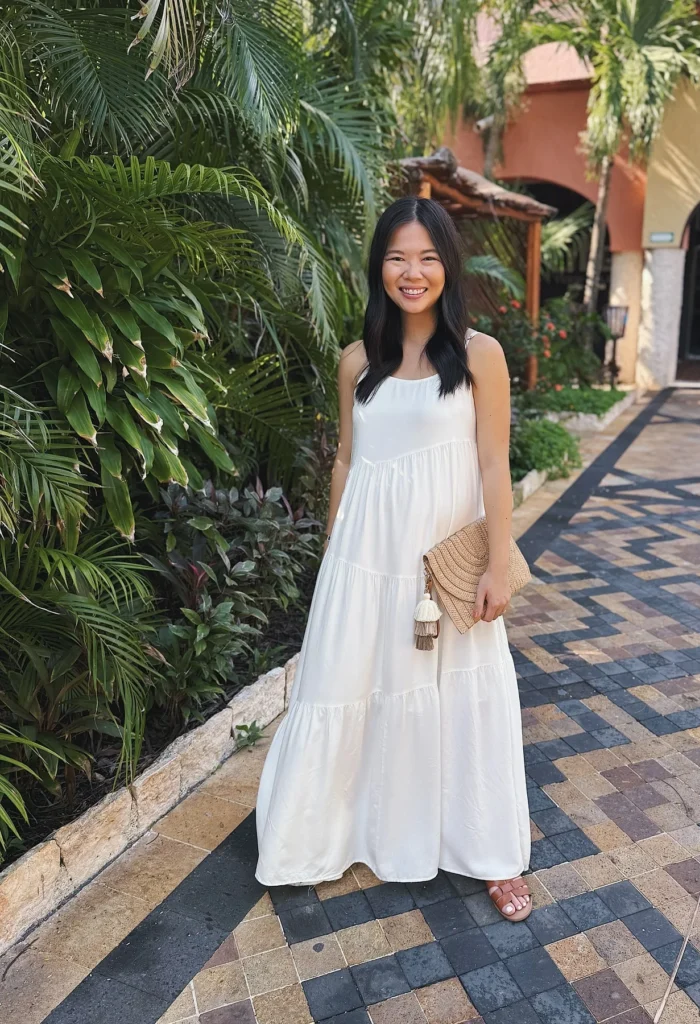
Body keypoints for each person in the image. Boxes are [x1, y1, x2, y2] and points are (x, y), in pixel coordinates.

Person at [255, 196, 532, 921]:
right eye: (398, 257)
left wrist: (495, 565)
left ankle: (491, 853)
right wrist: (334, 555)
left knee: (464, 695)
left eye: (428, 258)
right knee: (352, 686)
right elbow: (347, 460)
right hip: (365, 561)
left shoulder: (479, 355)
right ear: (379, 267)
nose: (413, 272)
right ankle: (334, 833)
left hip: (445, 562)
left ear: (448, 266)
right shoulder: (357, 362)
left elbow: (494, 464)